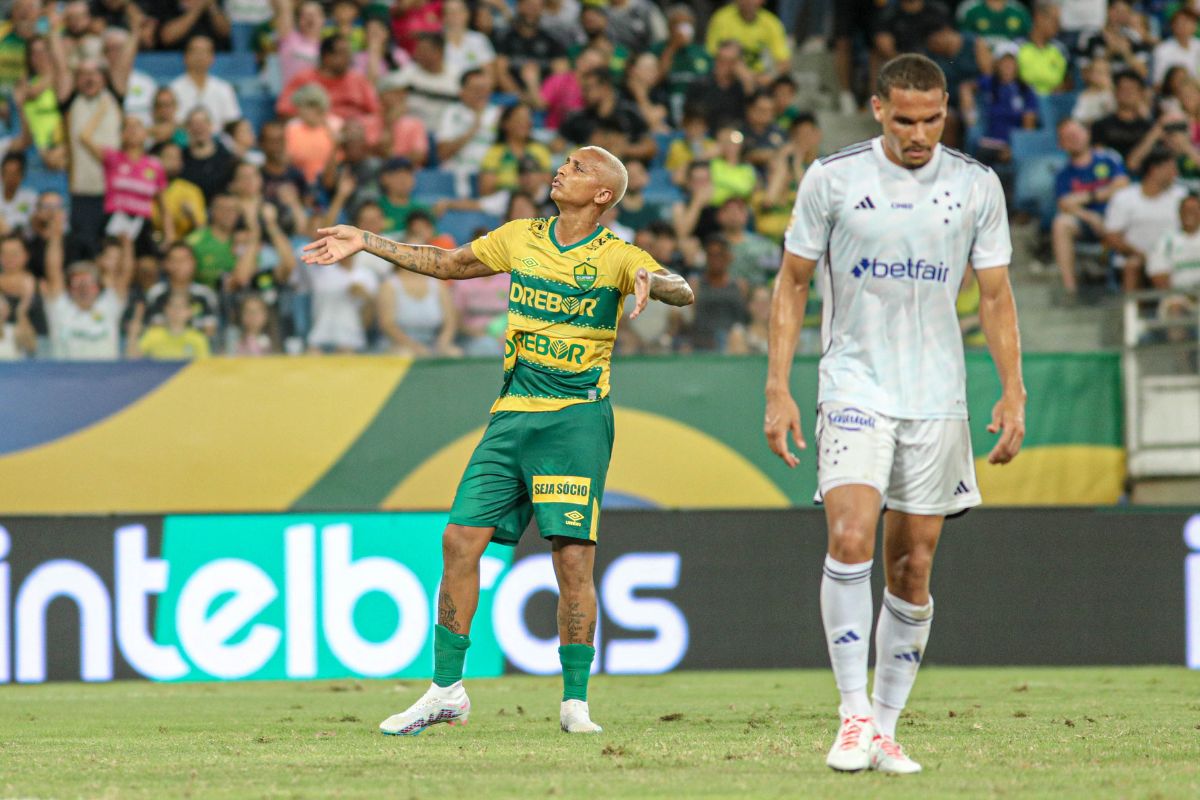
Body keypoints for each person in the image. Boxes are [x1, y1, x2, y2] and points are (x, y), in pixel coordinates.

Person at [303, 145, 694, 736]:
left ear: (603, 196)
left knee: (571, 562)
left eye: (579, 168)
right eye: (565, 162)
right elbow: (446, 263)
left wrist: (653, 280)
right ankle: (445, 691)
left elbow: (682, 288)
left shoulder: (617, 255)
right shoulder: (519, 236)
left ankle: (575, 704)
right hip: (511, 415)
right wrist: (368, 240)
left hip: (575, 420)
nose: (562, 170)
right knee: (459, 539)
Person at [764, 54, 1025, 774]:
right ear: (878, 108)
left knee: (912, 565)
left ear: (946, 110)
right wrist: (778, 387)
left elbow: (996, 296)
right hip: (855, 386)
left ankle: (884, 727)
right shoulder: (833, 178)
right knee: (850, 534)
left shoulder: (975, 185)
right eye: (906, 119)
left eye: (933, 119)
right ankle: (851, 717)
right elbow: (790, 285)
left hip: (937, 398)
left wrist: (1013, 389)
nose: (919, 133)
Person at [1052, 119, 1129, 300]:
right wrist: (1090, 216)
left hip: (1117, 217)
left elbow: (1122, 184)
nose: (1074, 139)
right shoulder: (1063, 173)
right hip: (1087, 222)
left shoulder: (1108, 158)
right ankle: (1070, 289)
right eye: (1068, 137)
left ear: (1087, 134)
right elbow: (1064, 204)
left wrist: (1088, 197)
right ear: (1061, 144)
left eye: (1077, 133)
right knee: (1061, 224)